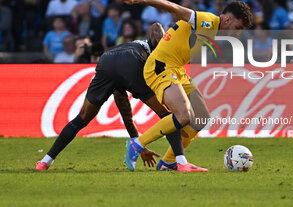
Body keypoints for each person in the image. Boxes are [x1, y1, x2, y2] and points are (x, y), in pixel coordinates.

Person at [113, 0, 252, 172]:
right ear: (228, 20)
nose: (238, 34)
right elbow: (173, 7)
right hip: (160, 67)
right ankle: (137, 144)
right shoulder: (207, 21)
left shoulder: (215, 30)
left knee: (201, 117)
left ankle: (169, 162)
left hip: (177, 69)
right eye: (238, 28)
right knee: (184, 116)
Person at [36, 23, 203, 171]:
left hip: (107, 61)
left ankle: (45, 161)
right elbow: (156, 26)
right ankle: (179, 162)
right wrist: (163, 45)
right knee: (168, 115)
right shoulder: (156, 50)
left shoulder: (141, 48)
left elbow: (126, 113)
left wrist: (138, 144)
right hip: (133, 61)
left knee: (82, 118)